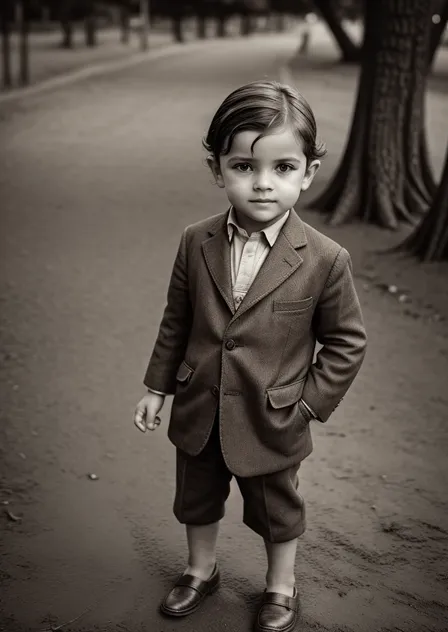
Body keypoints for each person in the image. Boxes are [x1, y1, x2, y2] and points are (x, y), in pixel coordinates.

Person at [133, 80, 367, 632]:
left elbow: (347, 341)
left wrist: (306, 405)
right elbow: (177, 320)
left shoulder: (326, 260)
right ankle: (200, 569)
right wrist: (157, 387)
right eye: (244, 166)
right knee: (196, 496)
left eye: (283, 167)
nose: (262, 183)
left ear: (308, 172)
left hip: (273, 417)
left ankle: (280, 588)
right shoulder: (196, 241)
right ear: (218, 169)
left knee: (276, 508)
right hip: (199, 405)